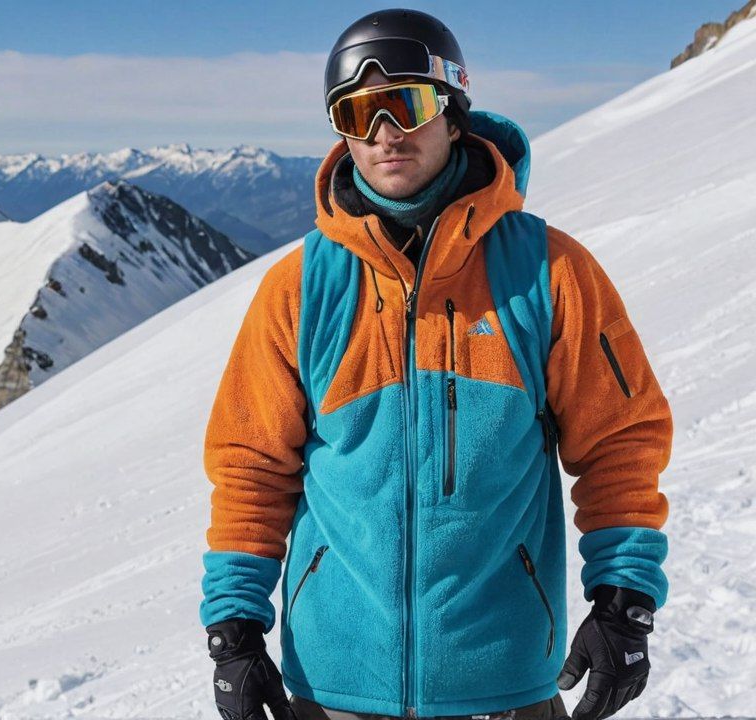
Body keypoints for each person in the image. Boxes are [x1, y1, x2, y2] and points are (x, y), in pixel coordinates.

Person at [198, 8, 671, 720]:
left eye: (407, 104)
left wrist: (624, 602)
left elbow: (621, 443)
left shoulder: (549, 272)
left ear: (454, 114)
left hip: (504, 680)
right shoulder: (300, 289)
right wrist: (234, 628)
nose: (385, 132)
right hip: (332, 685)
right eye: (358, 114)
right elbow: (250, 464)